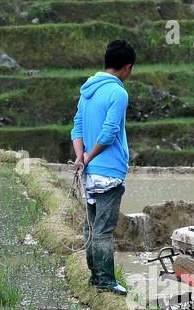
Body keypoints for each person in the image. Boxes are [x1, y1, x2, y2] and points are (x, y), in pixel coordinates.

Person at [70, 39, 136, 296]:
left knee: (91, 226)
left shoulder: (87, 90)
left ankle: (94, 276)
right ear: (127, 67)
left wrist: (81, 158)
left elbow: (77, 127)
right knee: (104, 230)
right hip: (108, 172)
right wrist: (88, 157)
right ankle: (106, 280)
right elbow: (109, 132)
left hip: (89, 173)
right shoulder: (118, 92)